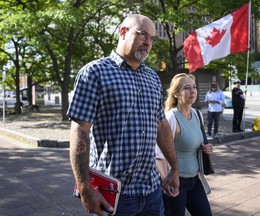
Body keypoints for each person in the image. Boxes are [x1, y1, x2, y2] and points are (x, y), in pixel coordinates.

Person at [67, 14, 179, 216]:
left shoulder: (152, 77)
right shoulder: (94, 72)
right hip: (113, 194)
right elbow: (80, 132)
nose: (148, 42)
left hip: (151, 191)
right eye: (143, 35)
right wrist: (84, 187)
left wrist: (174, 168)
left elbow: (161, 126)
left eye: (152, 38)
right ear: (123, 32)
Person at [156, 73, 213, 216]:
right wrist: (166, 182)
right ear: (176, 94)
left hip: (195, 179)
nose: (192, 91)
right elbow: (158, 155)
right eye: (186, 88)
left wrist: (205, 147)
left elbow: (194, 141)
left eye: (194, 87)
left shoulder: (197, 114)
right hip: (175, 182)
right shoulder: (170, 117)